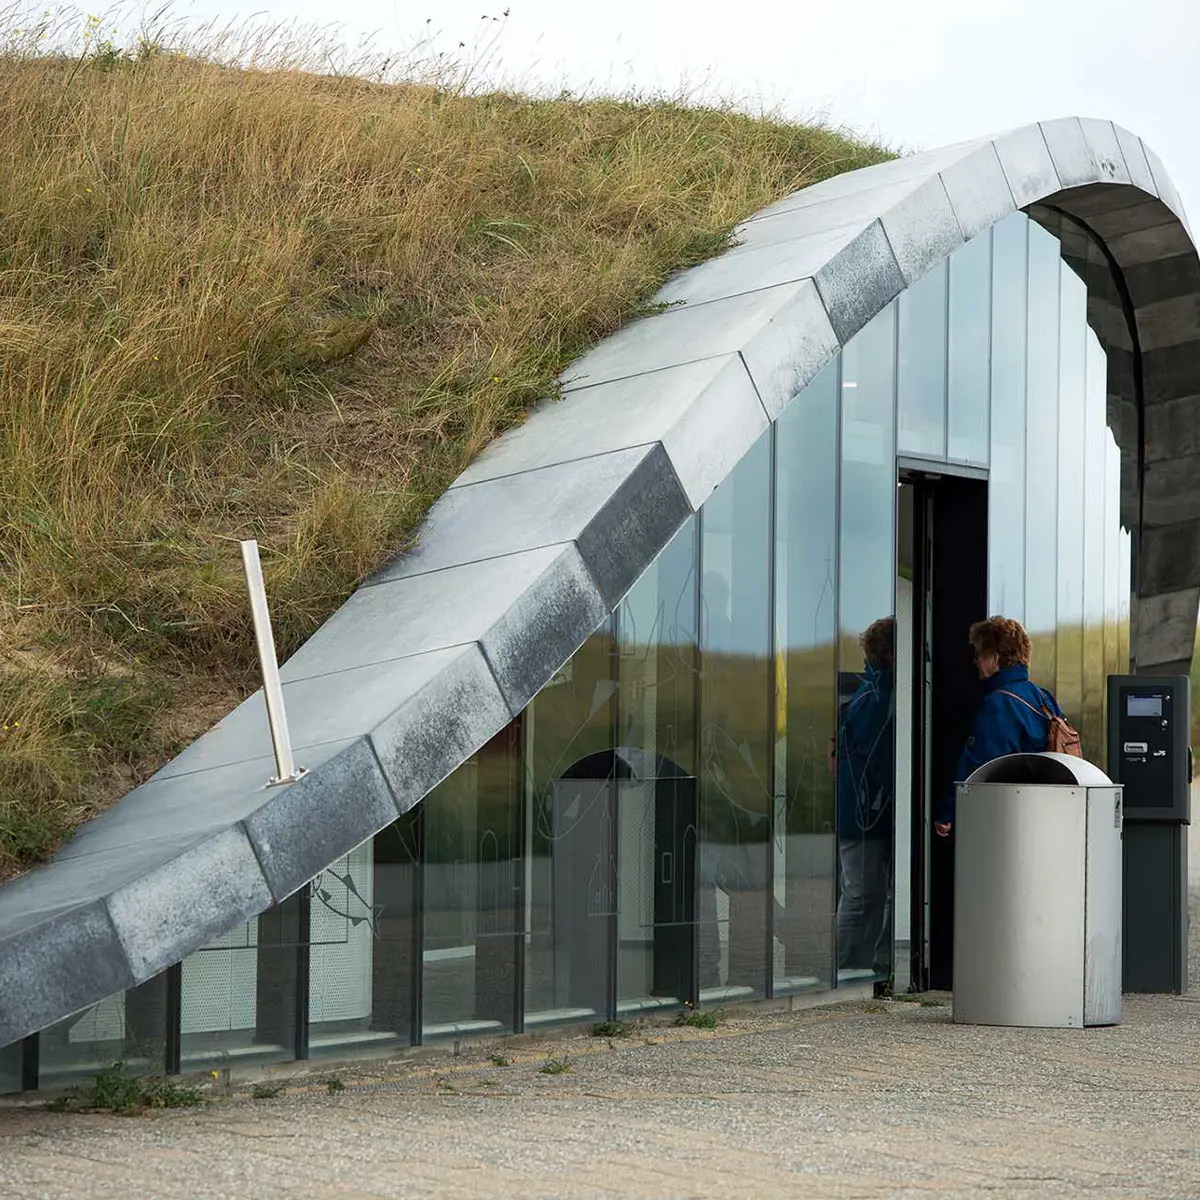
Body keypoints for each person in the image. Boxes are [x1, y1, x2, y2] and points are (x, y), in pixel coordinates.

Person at [934, 616, 1066, 837]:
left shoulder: (998, 704)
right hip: (1045, 814)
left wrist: (948, 811)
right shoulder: (1043, 697)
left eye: (979, 654)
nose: (975, 661)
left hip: (1006, 818)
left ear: (995, 659)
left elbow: (978, 765)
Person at [831, 617, 895, 976]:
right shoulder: (876, 700)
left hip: (863, 810)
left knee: (867, 893)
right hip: (866, 813)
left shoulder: (870, 694)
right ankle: (844, 967)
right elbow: (880, 760)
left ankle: (860, 965)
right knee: (861, 894)